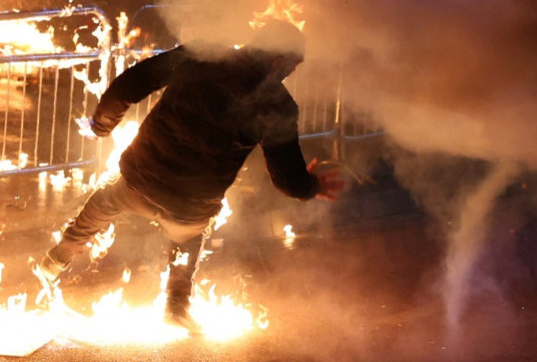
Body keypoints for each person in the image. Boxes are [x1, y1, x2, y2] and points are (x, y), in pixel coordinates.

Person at [35, 19, 345, 333]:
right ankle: (176, 306)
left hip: (140, 177)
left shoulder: (202, 54)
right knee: (188, 240)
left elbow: (134, 82)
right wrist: (311, 186)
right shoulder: (279, 106)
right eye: (294, 64)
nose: (293, 71)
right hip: (191, 206)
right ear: (278, 60)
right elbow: (287, 179)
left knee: (103, 202)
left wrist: (103, 124)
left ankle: (57, 259)